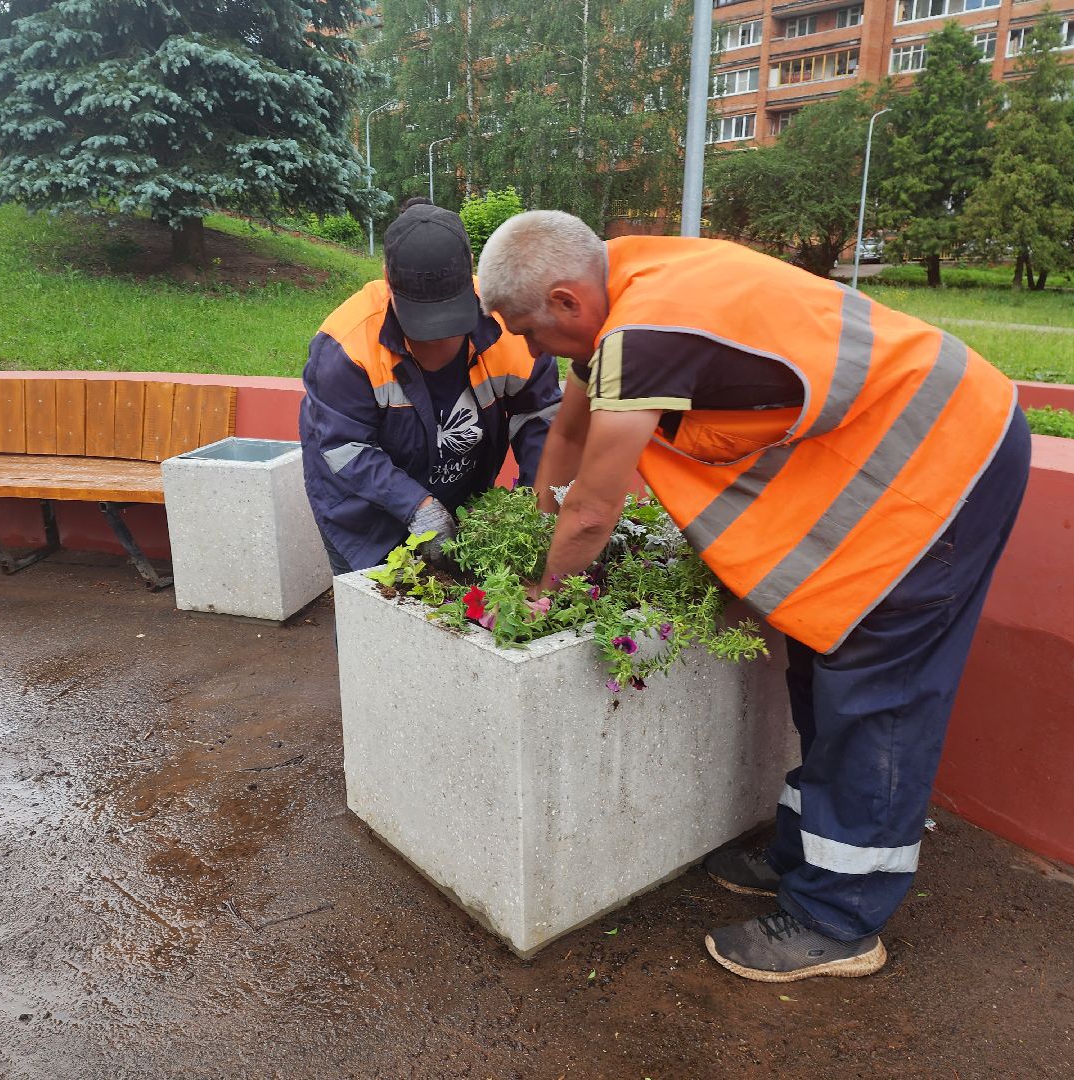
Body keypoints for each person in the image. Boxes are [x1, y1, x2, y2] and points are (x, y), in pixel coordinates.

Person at [476, 210, 1031, 983]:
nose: (530, 350)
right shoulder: (622, 293)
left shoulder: (645, 334)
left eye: (527, 330)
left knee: (878, 695)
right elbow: (566, 444)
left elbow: (596, 508)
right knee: (822, 660)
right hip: (892, 471)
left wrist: (543, 592)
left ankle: (838, 920)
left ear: (568, 301)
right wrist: (535, 534)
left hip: (945, 467)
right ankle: (805, 859)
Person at [300, 201, 562, 574]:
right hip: (363, 511)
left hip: (456, 494)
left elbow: (540, 419)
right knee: (371, 617)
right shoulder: (346, 346)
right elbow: (343, 448)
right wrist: (418, 508)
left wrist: (539, 505)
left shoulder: (510, 324)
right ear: (388, 278)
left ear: (471, 268)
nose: (438, 341)